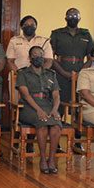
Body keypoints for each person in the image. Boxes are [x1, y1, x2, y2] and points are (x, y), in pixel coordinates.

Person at [16, 46, 63, 174]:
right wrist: (38, 110)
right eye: (35, 55)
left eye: (41, 55)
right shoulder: (23, 73)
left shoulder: (50, 74)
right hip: (29, 106)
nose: (38, 57)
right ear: (30, 58)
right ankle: (42, 158)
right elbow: (25, 95)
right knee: (42, 124)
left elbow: (56, 95)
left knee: (55, 127)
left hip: (48, 105)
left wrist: (55, 109)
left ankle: (51, 159)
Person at [50, 8, 94, 107]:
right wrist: (63, 73)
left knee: (80, 101)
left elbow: (92, 57)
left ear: (80, 18)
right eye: (70, 16)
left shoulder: (86, 34)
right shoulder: (57, 34)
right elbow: (50, 57)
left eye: (75, 16)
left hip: (81, 70)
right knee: (61, 101)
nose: (73, 18)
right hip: (61, 70)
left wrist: (81, 72)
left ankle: (78, 121)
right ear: (65, 18)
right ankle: (59, 121)